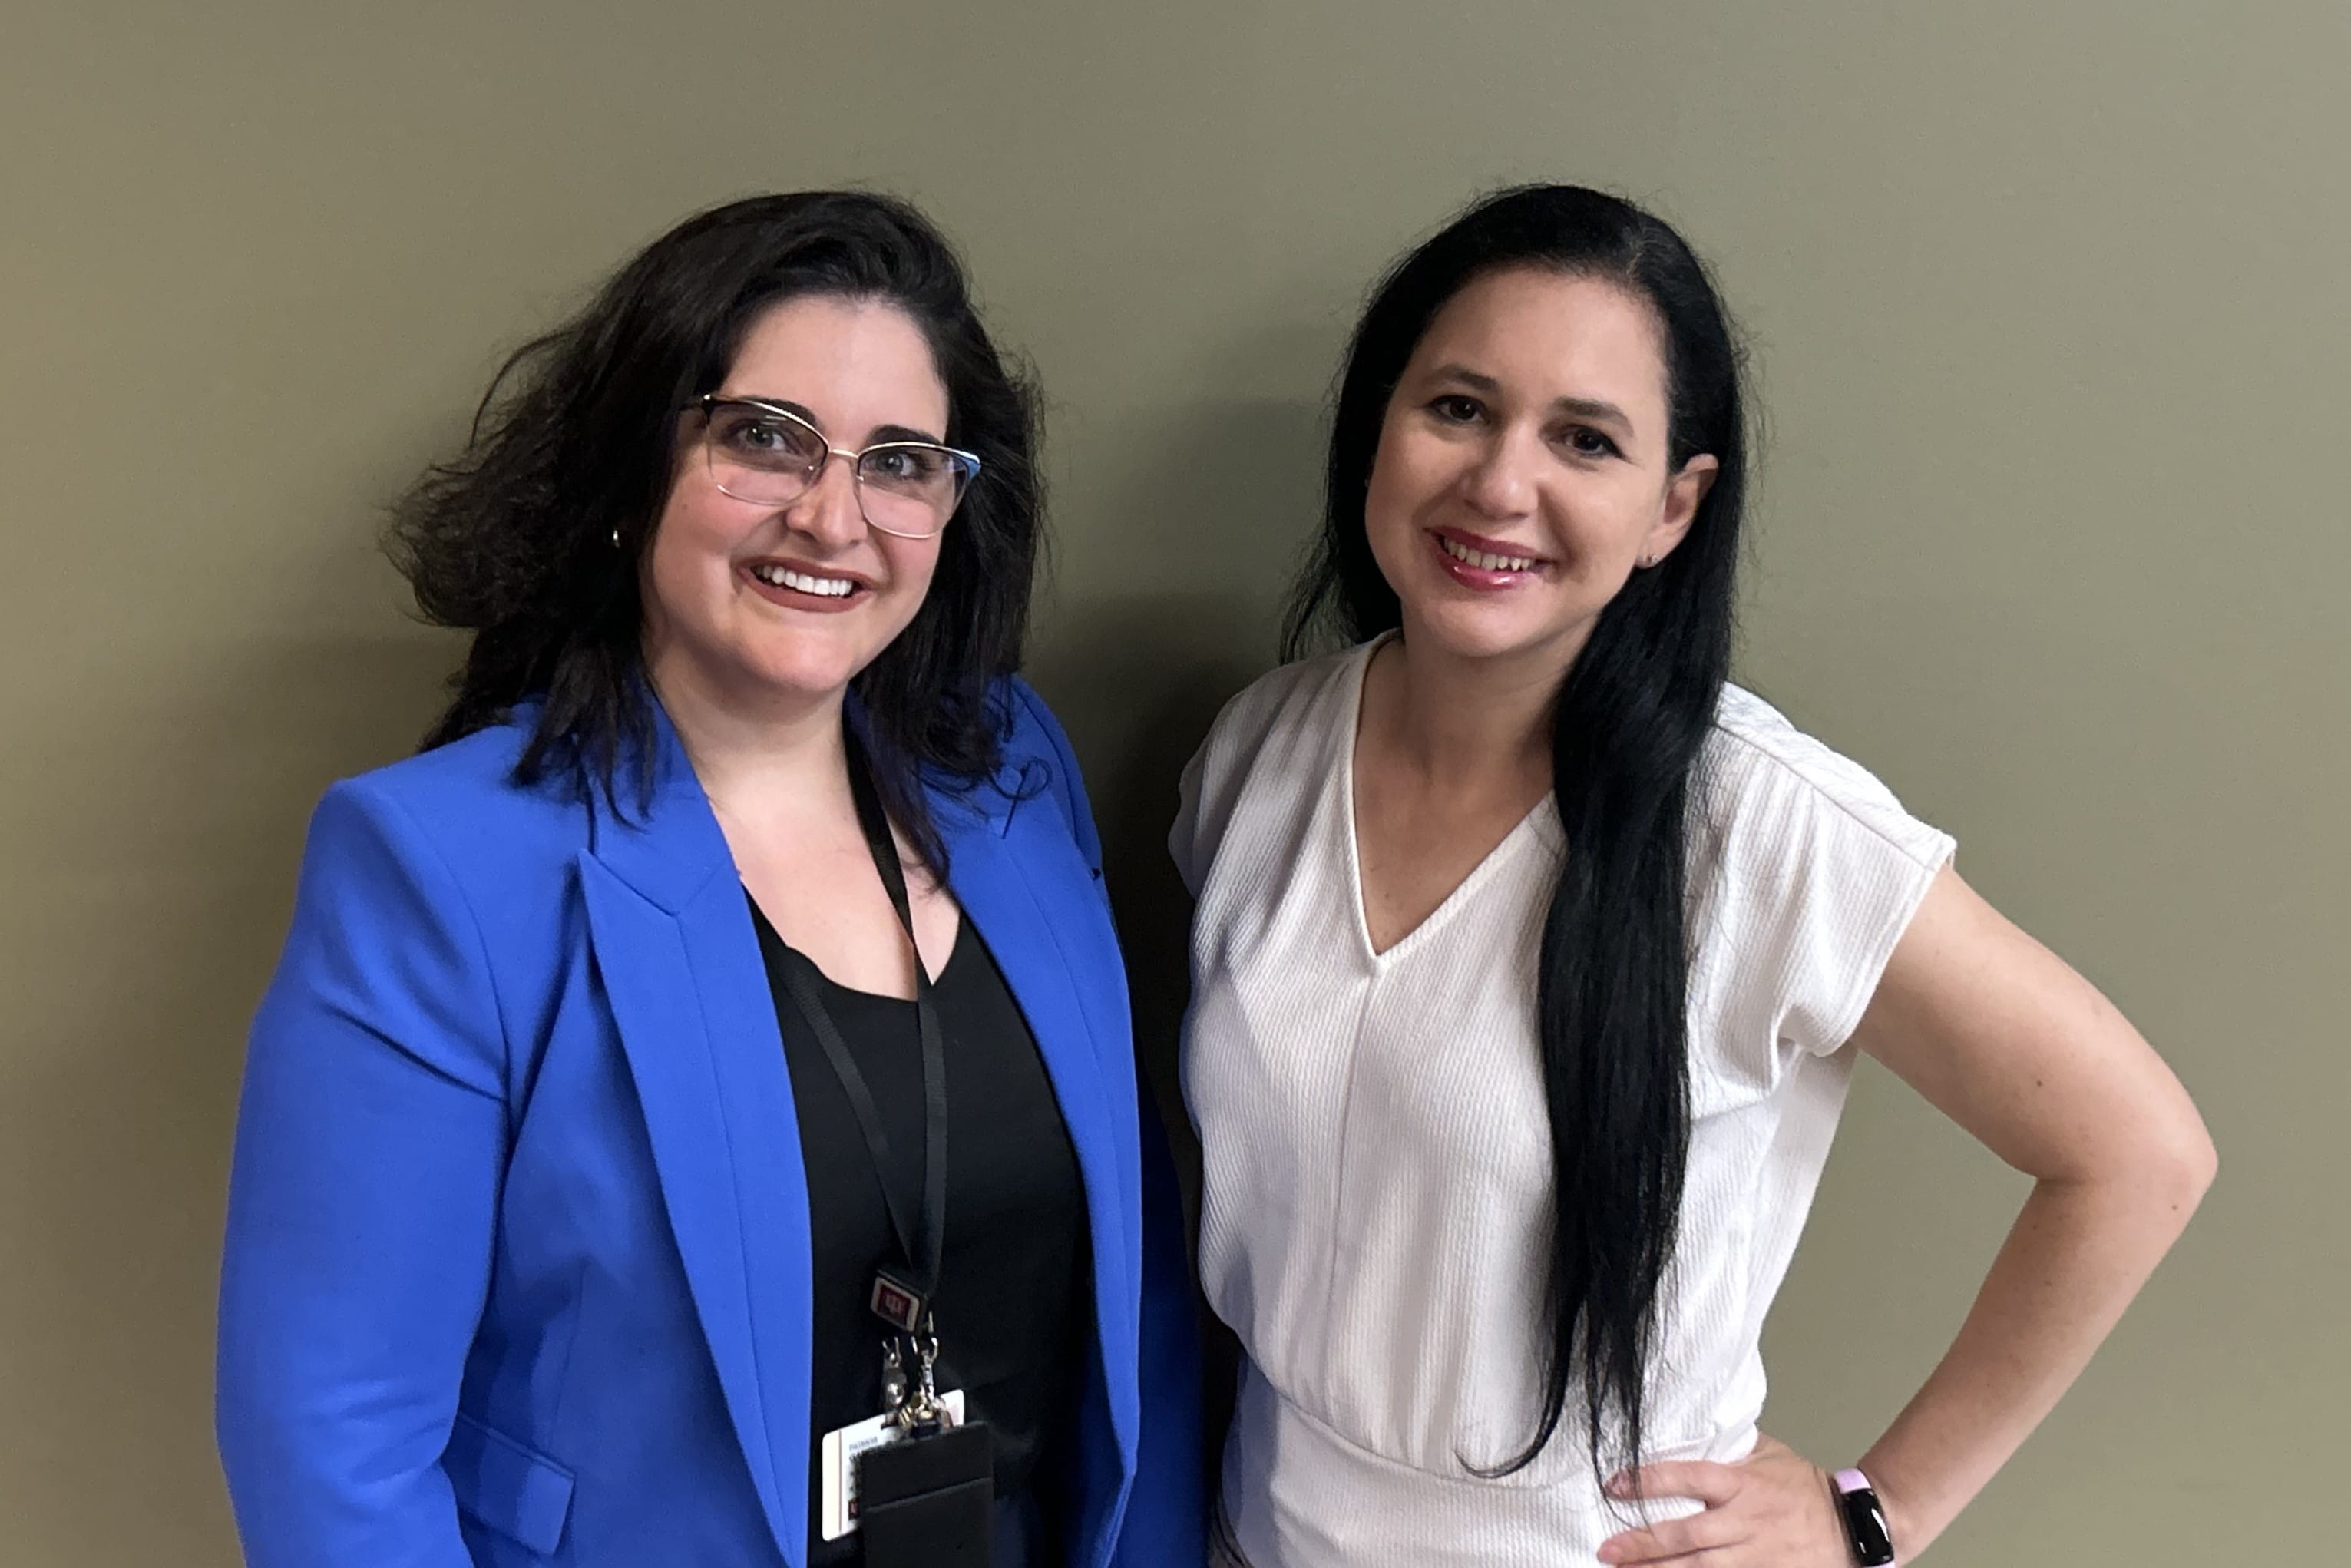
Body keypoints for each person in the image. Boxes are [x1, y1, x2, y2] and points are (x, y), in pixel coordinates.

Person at [1172, 184, 2214, 1567]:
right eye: (1458, 408)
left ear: (1672, 507)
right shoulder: (1257, 753)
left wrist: (1872, 1515)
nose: (1499, 483)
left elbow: (2138, 1154)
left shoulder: (1763, 829)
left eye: (1583, 440)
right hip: (1253, 1525)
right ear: (1377, 428)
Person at [217, 191, 1202, 1568]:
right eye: (763, 438)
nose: (832, 516)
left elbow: (1134, 1294)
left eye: (901, 462)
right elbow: (336, 1437)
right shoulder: (442, 866)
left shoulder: (1010, 770)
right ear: (634, 467)